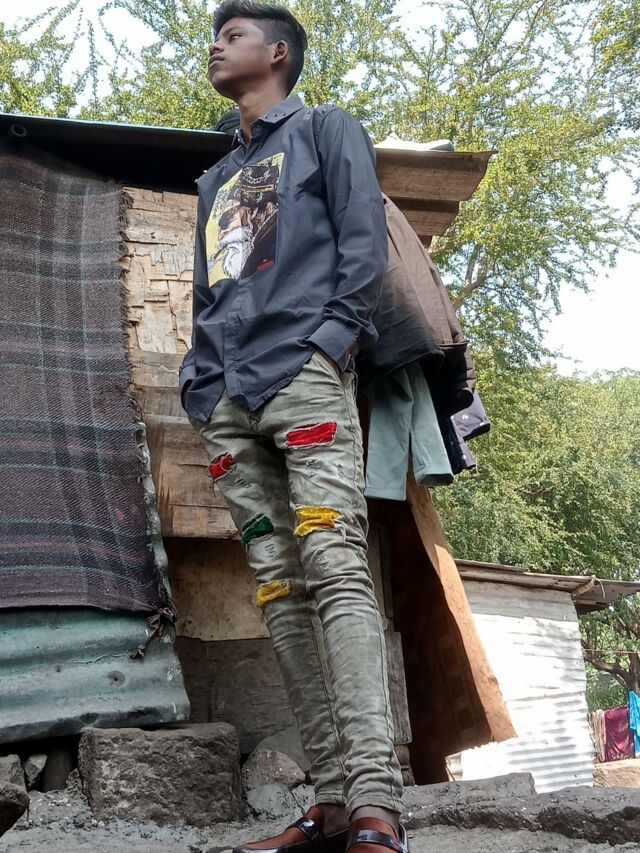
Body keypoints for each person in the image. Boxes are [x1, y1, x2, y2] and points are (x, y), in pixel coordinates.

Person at [179, 3, 407, 853]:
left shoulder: (323, 130)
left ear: (278, 53)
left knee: (335, 565)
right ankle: (333, 803)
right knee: (279, 588)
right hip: (227, 400)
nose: (216, 45)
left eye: (233, 35)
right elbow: (209, 291)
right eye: (216, 34)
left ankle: (376, 800)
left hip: (304, 377)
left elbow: (363, 243)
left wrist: (330, 342)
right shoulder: (216, 179)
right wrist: (199, 384)